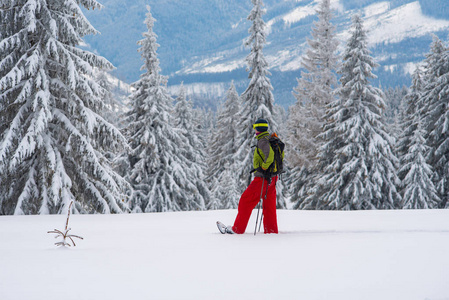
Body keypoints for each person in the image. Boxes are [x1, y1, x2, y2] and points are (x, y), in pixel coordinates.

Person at [221, 118, 279, 234]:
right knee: (269, 206)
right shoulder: (270, 138)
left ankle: (237, 229)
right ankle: (271, 231)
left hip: (262, 179)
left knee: (245, 200)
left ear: (257, 129)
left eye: (255, 128)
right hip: (272, 178)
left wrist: (263, 166)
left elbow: (270, 156)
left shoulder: (262, 140)